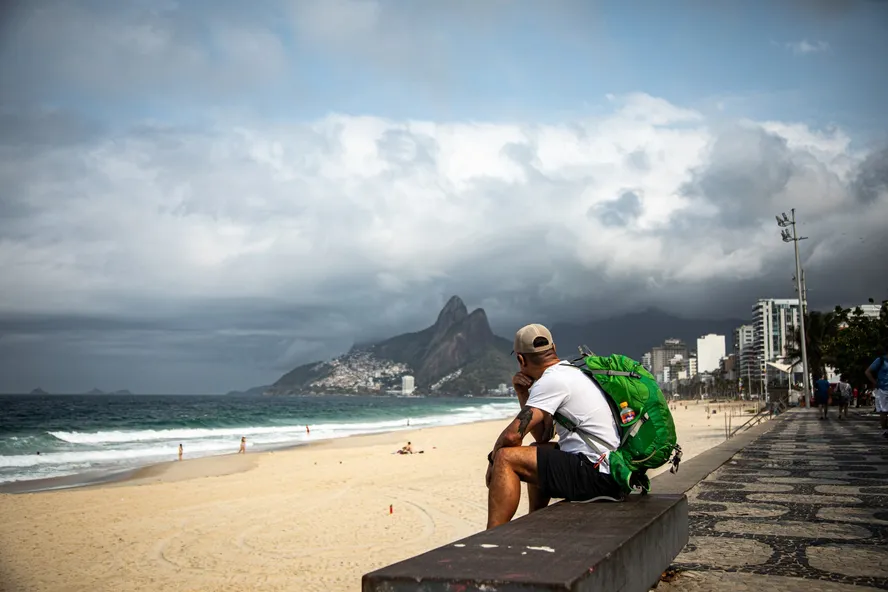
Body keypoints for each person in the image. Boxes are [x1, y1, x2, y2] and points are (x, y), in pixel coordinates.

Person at [485, 323, 622, 530]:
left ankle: (491, 536)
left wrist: (493, 459)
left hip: (596, 475)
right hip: (610, 470)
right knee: (536, 450)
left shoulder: (551, 380)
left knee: (506, 457)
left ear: (521, 359)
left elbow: (513, 436)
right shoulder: (572, 372)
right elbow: (542, 437)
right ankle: (536, 520)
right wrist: (523, 394)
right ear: (554, 348)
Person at [865, 344, 888, 438]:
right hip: (883, 389)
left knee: (884, 411)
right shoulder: (881, 360)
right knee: (884, 411)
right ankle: (885, 430)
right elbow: (867, 372)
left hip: (883, 388)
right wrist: (875, 382)